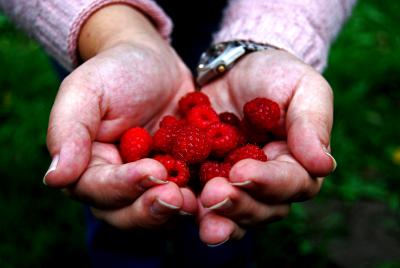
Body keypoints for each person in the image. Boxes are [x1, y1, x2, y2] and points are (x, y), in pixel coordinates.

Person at [0, 0, 356, 266]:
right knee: (118, 192)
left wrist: (270, 36)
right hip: (100, 19)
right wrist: (112, 32)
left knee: (229, 210)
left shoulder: (215, 136)